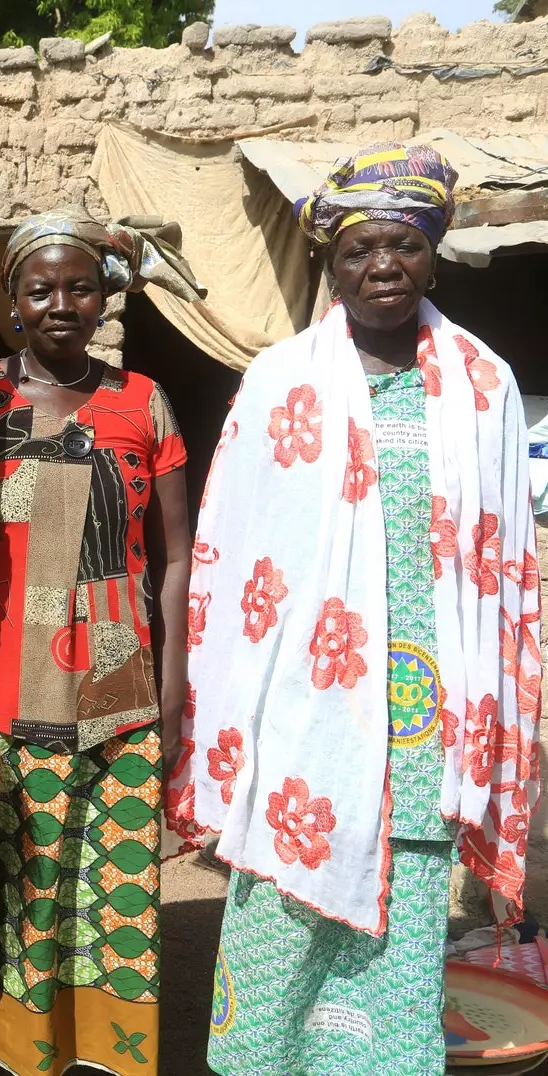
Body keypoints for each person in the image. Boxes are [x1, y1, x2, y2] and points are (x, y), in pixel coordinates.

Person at [167, 143, 541, 1074]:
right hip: (302, 709)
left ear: (435, 252)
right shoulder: (278, 382)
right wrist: (226, 720)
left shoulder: (483, 385)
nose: (383, 267)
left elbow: (510, 565)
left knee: (404, 936)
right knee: (278, 936)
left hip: (426, 712)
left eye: (404, 247)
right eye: (359, 250)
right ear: (329, 261)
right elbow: (230, 552)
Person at [0, 210, 200, 1076]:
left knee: (113, 886)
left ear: (105, 294)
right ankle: (18, 1055)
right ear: (14, 301)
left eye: (80, 286)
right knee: (20, 883)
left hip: (115, 669)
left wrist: (176, 690)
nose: (62, 303)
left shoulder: (141, 400)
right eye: (42, 289)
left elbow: (177, 554)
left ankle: (110, 1057)